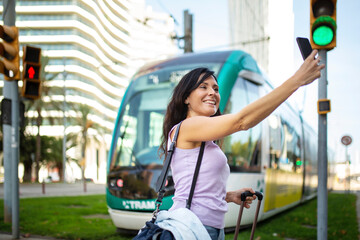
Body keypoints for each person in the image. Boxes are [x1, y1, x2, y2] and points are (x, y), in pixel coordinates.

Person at [159, 50, 324, 240]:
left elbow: (196, 187)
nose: (212, 93)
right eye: (203, 87)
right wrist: (297, 80)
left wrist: (228, 196)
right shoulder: (188, 127)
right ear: (186, 98)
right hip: (191, 227)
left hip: (208, 228)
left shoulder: (205, 138)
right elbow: (242, 121)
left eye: (215, 88)